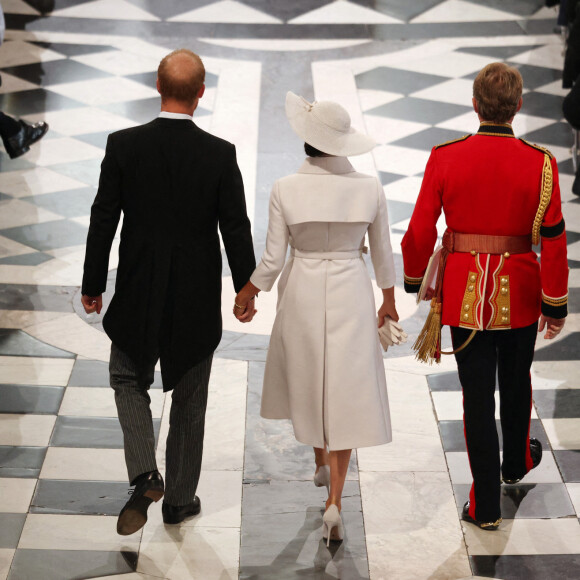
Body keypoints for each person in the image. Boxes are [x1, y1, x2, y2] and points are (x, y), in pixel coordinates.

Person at [81, 49, 256, 536]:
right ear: (202, 93)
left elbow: (103, 219)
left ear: (158, 85)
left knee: (125, 378)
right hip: (195, 298)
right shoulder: (219, 154)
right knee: (190, 401)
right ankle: (178, 500)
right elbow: (235, 227)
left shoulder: (123, 145)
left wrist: (93, 284)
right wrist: (245, 287)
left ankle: (144, 474)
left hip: (138, 290)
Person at [402, 62, 568, 530]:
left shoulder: (445, 156)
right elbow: (553, 239)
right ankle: (515, 463)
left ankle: (485, 506)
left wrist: (417, 279)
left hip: (464, 295)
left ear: (475, 105)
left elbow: (418, 231)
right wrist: (554, 302)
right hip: (520, 290)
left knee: (477, 398)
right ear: (518, 107)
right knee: (517, 383)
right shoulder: (542, 163)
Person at [234, 92, 398, 545]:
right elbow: (384, 254)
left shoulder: (286, 187)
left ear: (307, 142)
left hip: (303, 287)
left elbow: (270, 260)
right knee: (344, 392)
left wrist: (248, 292)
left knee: (311, 380)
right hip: (349, 288)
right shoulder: (368, 187)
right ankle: (335, 503)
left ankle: (319, 461)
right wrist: (389, 302)